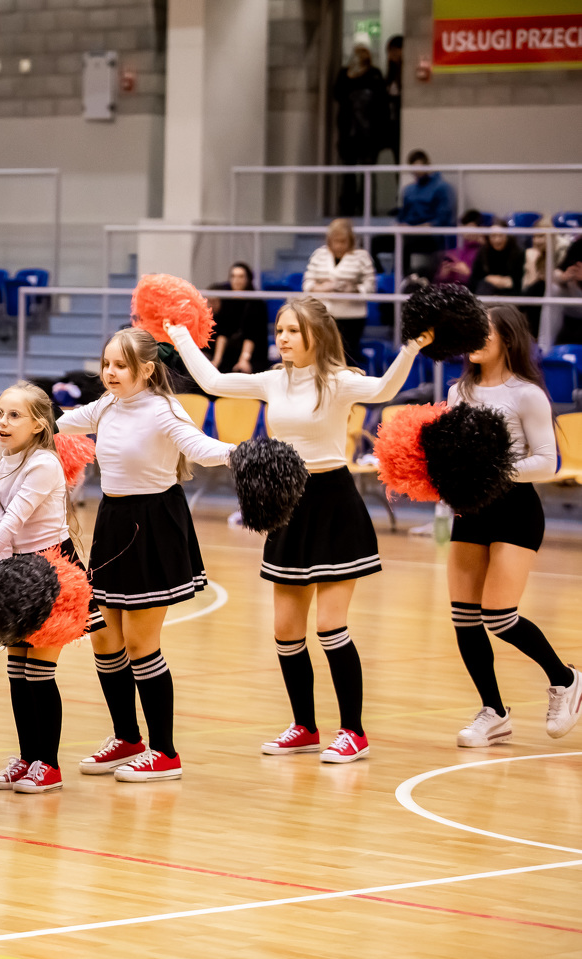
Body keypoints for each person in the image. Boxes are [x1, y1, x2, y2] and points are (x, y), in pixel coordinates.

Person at [167, 300, 432, 764]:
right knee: (286, 630)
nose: (283, 338)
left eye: (292, 330)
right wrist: (179, 333)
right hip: (287, 503)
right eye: (279, 330)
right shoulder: (273, 379)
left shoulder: (339, 381)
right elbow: (212, 382)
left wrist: (411, 347)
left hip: (333, 503)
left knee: (330, 626)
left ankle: (353, 732)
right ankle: (304, 727)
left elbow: (385, 388)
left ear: (317, 335)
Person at [58, 330, 235, 782]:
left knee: (141, 644)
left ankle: (165, 753)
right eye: (106, 364)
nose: (110, 372)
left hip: (154, 525)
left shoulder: (163, 408)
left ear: (147, 370)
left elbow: (202, 449)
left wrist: (244, 453)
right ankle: (127, 739)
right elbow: (62, 423)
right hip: (113, 522)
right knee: (104, 638)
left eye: (120, 365)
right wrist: (25, 415)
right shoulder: (107, 406)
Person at [447, 305, 580, 747]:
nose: (475, 340)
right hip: (471, 510)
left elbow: (546, 462)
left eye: (484, 332)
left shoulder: (527, 394)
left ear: (508, 338)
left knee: (499, 616)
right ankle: (495, 712)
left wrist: (491, 472)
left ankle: (566, 680)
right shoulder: (457, 392)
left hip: (515, 509)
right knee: (464, 617)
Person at [0, 382, 99, 794]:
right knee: (17, 671)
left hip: (52, 570)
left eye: (14, 415)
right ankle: (28, 758)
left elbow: (15, 520)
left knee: (40, 672)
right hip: (14, 570)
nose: (3, 422)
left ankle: (49, 764)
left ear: (39, 424)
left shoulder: (44, 463)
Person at [304, 219, 377, 365]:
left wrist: (353, 289)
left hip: (352, 317)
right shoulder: (319, 255)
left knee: (347, 358)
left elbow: (371, 287)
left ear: (351, 240)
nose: (339, 245)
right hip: (322, 315)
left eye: (343, 241)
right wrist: (323, 287)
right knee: (321, 357)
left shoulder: (361, 256)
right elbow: (307, 284)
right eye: (335, 241)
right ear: (329, 240)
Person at [332, 34, 388, 217]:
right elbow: (337, 95)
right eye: (357, 51)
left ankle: (366, 208)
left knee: (367, 174)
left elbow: (381, 105)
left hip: (369, 133)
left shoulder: (374, 74)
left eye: (363, 51)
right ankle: (347, 209)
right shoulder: (344, 74)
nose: (360, 55)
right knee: (348, 173)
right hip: (349, 131)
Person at [395, 151, 456, 279]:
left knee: (405, 244)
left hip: (432, 236)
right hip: (409, 233)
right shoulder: (409, 190)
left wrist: (415, 228)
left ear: (427, 165)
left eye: (420, 167)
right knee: (378, 241)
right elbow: (403, 216)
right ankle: (392, 280)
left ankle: (406, 280)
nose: (417, 172)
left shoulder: (442, 187)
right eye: (414, 168)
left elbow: (442, 220)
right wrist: (399, 225)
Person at [207, 263, 269, 374]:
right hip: (231, 354)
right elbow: (223, 333)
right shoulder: (227, 301)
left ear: (248, 279)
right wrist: (216, 361)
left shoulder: (256, 303)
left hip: (253, 355)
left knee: (242, 370)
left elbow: (251, 335)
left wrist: (244, 359)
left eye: (241, 276)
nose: (236, 280)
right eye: (233, 276)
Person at [470, 222, 525, 298]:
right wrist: (488, 279)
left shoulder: (518, 253)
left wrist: (507, 282)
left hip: (510, 293)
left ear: (507, 236)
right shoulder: (483, 252)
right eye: (493, 236)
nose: (497, 240)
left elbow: (520, 282)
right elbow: (473, 280)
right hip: (487, 291)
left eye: (500, 236)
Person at [436, 210, 486, 286]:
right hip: (451, 289)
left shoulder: (483, 252)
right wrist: (443, 276)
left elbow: (484, 282)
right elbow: (437, 283)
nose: (467, 232)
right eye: (465, 228)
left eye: (471, 228)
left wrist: (468, 274)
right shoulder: (454, 252)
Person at [552, 235, 582, 345]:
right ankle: (545, 345)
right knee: (553, 288)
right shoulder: (578, 245)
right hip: (576, 298)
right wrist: (564, 277)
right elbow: (557, 272)